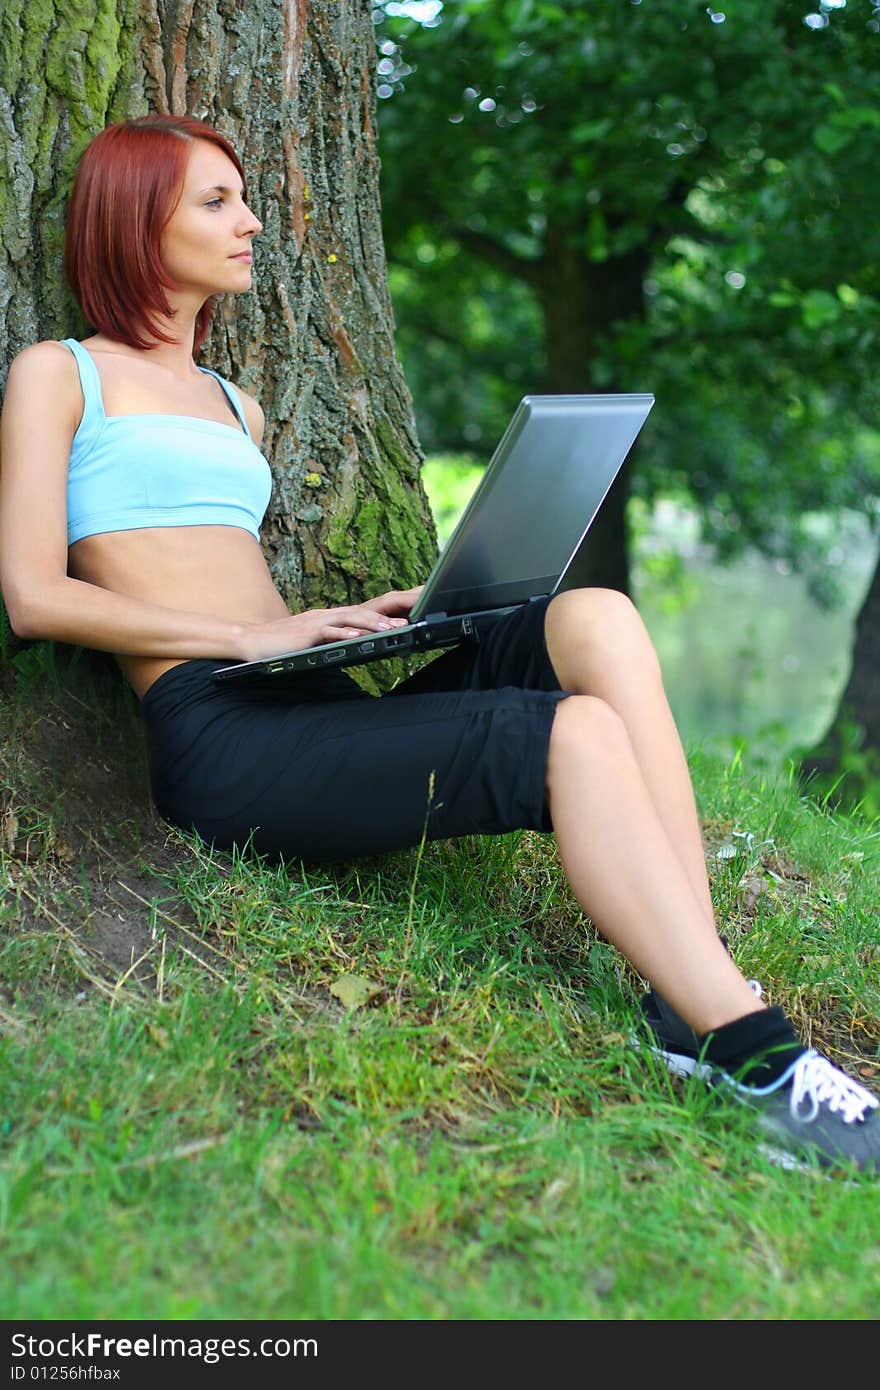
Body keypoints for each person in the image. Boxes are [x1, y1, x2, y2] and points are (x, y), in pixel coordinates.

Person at [0, 114, 876, 1174]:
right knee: (570, 735)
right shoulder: (62, 375)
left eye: (245, 198)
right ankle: (760, 1058)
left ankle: (695, 1000)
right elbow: (33, 595)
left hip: (305, 692)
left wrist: (386, 618)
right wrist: (245, 633)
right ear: (137, 218)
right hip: (218, 736)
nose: (251, 223)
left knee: (591, 615)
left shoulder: (240, 403)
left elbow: (232, 572)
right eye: (216, 202)